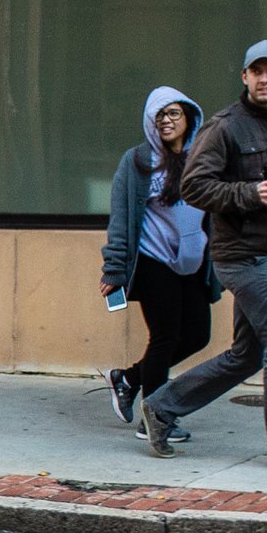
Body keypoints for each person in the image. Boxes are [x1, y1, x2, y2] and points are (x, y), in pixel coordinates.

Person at [137, 41, 267, 474]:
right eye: (256, 71)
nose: (264, 79)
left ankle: (162, 406)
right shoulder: (224, 127)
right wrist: (249, 193)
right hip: (242, 255)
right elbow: (193, 187)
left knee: (248, 354)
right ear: (245, 77)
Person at [101, 87, 222, 439]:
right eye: (160, 116)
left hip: (193, 263)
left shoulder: (203, 157)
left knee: (198, 335)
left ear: (188, 118)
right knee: (165, 337)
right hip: (154, 261)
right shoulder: (137, 161)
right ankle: (155, 419)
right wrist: (114, 268)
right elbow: (121, 218)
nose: (167, 121)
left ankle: (129, 379)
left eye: (174, 114)